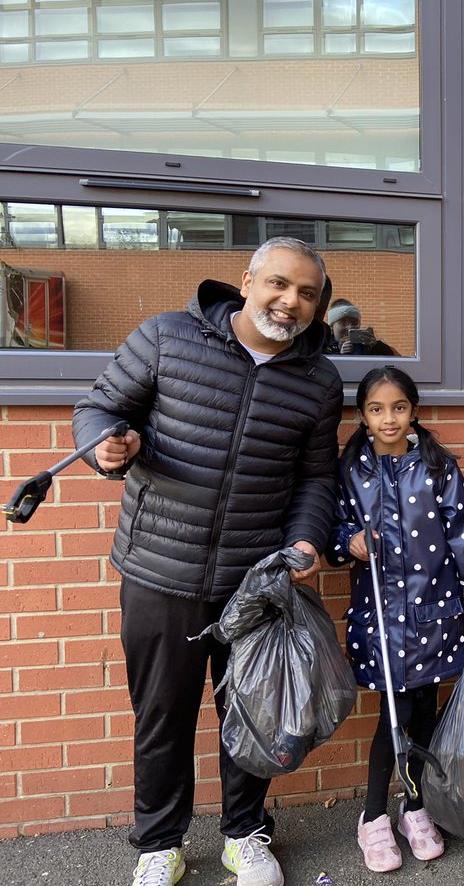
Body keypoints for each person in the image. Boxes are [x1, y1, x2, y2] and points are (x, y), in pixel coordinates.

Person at [72, 237, 345, 886]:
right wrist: (104, 448)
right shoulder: (167, 337)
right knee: (161, 713)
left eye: (308, 293)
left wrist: (306, 541)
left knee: (250, 710)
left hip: (252, 580)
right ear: (246, 282)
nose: (291, 301)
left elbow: (316, 479)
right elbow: (98, 409)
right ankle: (159, 843)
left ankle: (245, 835)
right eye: (279, 284)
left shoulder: (319, 381)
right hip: (158, 570)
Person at [325, 366, 464, 872]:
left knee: (424, 711)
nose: (389, 418)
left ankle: (415, 806)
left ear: (413, 410)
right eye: (377, 409)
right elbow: (334, 526)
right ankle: (373, 816)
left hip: (436, 613)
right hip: (383, 617)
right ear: (361, 415)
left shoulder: (438, 466)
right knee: (390, 720)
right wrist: (348, 543)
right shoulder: (351, 468)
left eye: (398, 407)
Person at [326, 298, 397, 355]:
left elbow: (393, 362)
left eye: (354, 323)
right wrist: (340, 355)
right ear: (331, 327)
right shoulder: (323, 347)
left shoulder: (366, 344)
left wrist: (375, 346)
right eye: (343, 323)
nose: (349, 327)